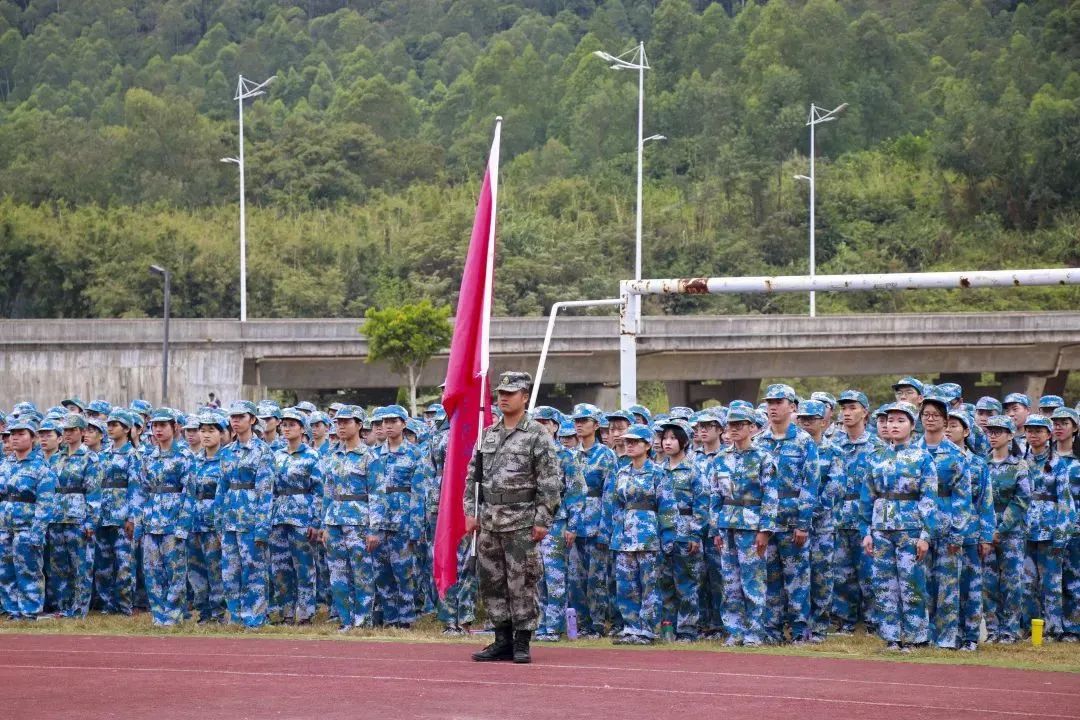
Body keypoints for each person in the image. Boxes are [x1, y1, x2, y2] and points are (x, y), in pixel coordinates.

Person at [466, 371, 561, 664]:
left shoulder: (538, 435)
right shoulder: (488, 434)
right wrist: (470, 510)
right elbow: (473, 476)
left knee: (522, 582)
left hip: (521, 521)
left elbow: (550, 481)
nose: (503, 397)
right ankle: (501, 639)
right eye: (500, 393)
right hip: (490, 520)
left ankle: (522, 641)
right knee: (492, 581)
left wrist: (543, 519)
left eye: (511, 392)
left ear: (525, 396)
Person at [861, 402, 939, 652]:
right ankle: (892, 638)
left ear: (912, 426)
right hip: (881, 528)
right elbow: (868, 496)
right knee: (884, 585)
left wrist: (926, 535)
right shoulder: (876, 457)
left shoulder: (922, 457)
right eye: (889, 420)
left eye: (900, 421)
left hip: (910, 529)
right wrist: (867, 532)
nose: (893, 425)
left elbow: (929, 498)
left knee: (911, 584)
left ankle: (916, 637)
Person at [708, 407, 778, 646]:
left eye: (741, 424)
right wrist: (715, 529)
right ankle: (735, 630)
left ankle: (755, 632)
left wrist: (765, 530)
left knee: (753, 580)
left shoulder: (763, 457)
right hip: (727, 525)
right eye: (732, 425)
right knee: (730, 581)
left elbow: (770, 496)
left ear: (751, 427)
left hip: (751, 525)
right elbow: (715, 495)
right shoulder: (720, 458)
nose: (735, 429)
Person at [754, 384, 819, 644]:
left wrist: (803, 523)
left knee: (797, 580)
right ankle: (771, 630)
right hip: (767, 523)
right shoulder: (759, 441)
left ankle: (800, 631)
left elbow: (810, 483)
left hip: (793, 521)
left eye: (778, 402)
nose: (772, 407)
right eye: (769, 402)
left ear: (792, 406)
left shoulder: (804, 442)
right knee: (769, 579)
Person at [603, 424, 675, 645]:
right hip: (624, 536)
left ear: (646, 446)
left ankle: (648, 629)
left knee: (649, 585)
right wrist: (613, 532)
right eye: (627, 442)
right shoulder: (621, 472)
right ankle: (631, 627)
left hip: (649, 535)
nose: (630, 445)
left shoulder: (658, 473)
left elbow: (668, 507)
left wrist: (668, 537)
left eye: (635, 442)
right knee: (626, 585)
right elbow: (614, 505)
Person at [128, 408, 195, 626]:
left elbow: (189, 494)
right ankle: (158, 615)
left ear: (174, 427)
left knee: (175, 572)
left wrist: (183, 526)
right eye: (155, 425)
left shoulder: (184, 456)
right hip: (150, 522)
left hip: (173, 521)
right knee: (152, 571)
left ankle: (173, 615)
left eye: (163, 425)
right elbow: (139, 492)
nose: (158, 429)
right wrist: (138, 524)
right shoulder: (147, 456)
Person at [916, 389, 972, 650]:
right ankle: (923, 634)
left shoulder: (956, 455)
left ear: (945, 420)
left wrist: (957, 532)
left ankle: (947, 637)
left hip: (947, 525)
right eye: (926, 414)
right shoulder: (911, 450)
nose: (930, 419)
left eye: (936, 415)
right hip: (918, 527)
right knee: (920, 581)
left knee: (947, 585)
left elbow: (963, 497)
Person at [215, 400, 276, 629]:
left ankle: (254, 618)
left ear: (252, 420)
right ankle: (235, 616)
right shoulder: (227, 452)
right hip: (230, 521)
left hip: (251, 521)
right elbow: (221, 488)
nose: (236, 421)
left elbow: (265, 493)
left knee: (254, 571)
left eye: (241, 417)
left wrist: (262, 528)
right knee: (230, 572)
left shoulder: (263, 452)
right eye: (233, 417)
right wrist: (218, 522)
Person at [368, 404, 430, 629]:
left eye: (393, 421)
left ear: (404, 424)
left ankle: (406, 618)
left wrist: (415, 528)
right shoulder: (374, 454)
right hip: (379, 522)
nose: (388, 425)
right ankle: (390, 617)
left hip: (403, 522)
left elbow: (418, 494)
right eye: (384, 422)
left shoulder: (415, 454)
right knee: (381, 572)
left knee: (404, 572)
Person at [831, 390, 885, 636]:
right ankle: (844, 621)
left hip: (868, 516)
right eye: (843, 408)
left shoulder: (877, 446)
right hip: (839, 515)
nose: (847, 413)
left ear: (865, 412)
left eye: (852, 407)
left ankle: (874, 621)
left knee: (870, 572)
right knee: (841, 573)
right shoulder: (834, 446)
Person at [321, 406, 377, 631]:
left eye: (346, 421)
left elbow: (377, 495)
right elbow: (327, 492)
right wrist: (323, 524)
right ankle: (345, 620)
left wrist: (374, 528)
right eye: (338, 422)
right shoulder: (331, 455)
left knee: (362, 573)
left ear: (359, 424)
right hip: (334, 520)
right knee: (337, 573)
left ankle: (363, 621)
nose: (341, 426)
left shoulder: (370, 457)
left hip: (359, 522)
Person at [532, 408, 585, 642]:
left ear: (555, 426)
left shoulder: (565, 456)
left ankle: (553, 626)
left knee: (554, 576)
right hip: (531, 522)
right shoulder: (528, 453)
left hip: (556, 522)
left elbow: (577, 492)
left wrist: (572, 525)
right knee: (536, 576)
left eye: (545, 423)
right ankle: (540, 623)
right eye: (536, 422)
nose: (541, 426)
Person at [1022, 414, 1077, 640]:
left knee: (1051, 584)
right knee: (1026, 584)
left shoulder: (1058, 464)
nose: (1033, 435)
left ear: (1048, 435)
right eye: (1029, 430)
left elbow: (1066, 502)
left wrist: (1061, 535)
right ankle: (1030, 629)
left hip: (1050, 531)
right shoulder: (1021, 462)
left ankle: (1054, 631)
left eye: (1039, 430)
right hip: (1025, 531)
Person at [567, 402, 618, 640]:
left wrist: (605, 529)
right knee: (575, 579)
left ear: (596, 425)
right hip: (574, 525)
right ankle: (582, 623)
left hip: (596, 522)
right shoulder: (571, 455)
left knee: (597, 579)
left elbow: (611, 495)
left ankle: (597, 624)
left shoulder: (606, 455)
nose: (578, 424)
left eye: (584, 421)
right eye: (576, 421)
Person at [0, 418, 58, 620]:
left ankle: (29, 611)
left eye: (21, 433)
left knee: (28, 571)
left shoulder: (41, 468)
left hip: (27, 528)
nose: (14, 438)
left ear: (32, 438)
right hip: (4, 528)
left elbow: (46, 504)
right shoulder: (5, 465)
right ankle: (12, 610)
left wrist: (37, 532)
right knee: (5, 571)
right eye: (11, 434)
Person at [946, 409, 994, 651]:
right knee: (945, 587)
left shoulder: (977, 463)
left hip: (971, 532)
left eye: (954, 425)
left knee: (971, 586)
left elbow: (985, 502)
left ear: (966, 431)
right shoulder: (935, 458)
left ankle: (971, 636)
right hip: (944, 533)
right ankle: (947, 634)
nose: (947, 429)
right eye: (946, 424)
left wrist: (986, 536)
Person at [656, 418, 708, 642]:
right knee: (664, 582)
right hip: (662, 533)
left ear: (684, 442)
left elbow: (702, 504)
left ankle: (687, 630)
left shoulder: (693, 471)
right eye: (664, 438)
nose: (667, 443)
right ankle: (668, 628)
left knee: (686, 584)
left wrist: (696, 533)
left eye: (673, 438)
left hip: (685, 532)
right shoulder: (658, 470)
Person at [796, 400, 843, 643]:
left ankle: (820, 626)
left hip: (822, 523)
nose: (805, 423)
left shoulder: (834, 451)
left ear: (823, 422)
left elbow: (835, 485)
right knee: (797, 575)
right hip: (795, 521)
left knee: (822, 575)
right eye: (802, 418)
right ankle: (798, 624)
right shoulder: (792, 448)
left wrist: (812, 509)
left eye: (811, 419)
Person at [47, 413, 102, 618]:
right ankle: (64, 606)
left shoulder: (90, 458)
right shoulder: (56, 458)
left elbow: (94, 493)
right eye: (65, 430)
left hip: (78, 518)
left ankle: (79, 609)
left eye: (71, 430)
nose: (67, 434)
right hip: (57, 517)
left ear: (81, 431)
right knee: (59, 566)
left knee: (81, 566)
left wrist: (90, 522)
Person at [982, 415, 1030, 644]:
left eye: (998, 431)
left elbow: (1021, 500)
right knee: (988, 582)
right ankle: (992, 629)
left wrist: (1000, 529)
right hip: (986, 529)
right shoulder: (983, 463)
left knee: (1012, 582)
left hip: (1012, 532)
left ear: (1010, 435)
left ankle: (1010, 630)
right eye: (990, 431)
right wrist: (987, 529)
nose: (993, 435)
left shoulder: (1019, 466)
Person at [95, 410, 143, 616]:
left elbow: (136, 488)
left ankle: (124, 605)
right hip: (103, 516)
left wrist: (132, 517)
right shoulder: (102, 455)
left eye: (116, 424)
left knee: (124, 564)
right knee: (103, 565)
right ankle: (107, 604)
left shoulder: (134, 455)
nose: (111, 427)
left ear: (126, 429)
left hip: (122, 517)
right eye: (109, 424)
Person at [190, 412, 227, 624]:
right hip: (195, 522)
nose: (205, 435)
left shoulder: (225, 460)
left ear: (221, 434)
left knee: (216, 569)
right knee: (196, 570)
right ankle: (203, 611)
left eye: (211, 430)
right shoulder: (194, 461)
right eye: (202, 430)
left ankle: (217, 613)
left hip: (214, 522)